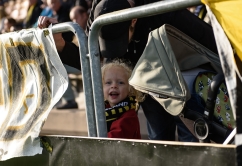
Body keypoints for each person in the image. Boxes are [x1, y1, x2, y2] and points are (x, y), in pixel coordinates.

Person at [38, 0, 218, 141]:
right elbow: (90, 57)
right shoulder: (98, 8)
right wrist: (61, 44)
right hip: (145, 80)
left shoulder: (162, 10)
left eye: (119, 39)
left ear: (134, 20)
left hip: (181, 75)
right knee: (159, 137)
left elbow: (207, 38)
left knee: (192, 134)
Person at [102, 60, 144, 139]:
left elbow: (113, 141)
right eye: (108, 82)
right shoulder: (104, 110)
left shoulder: (129, 117)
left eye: (120, 83)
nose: (114, 86)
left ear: (130, 89)